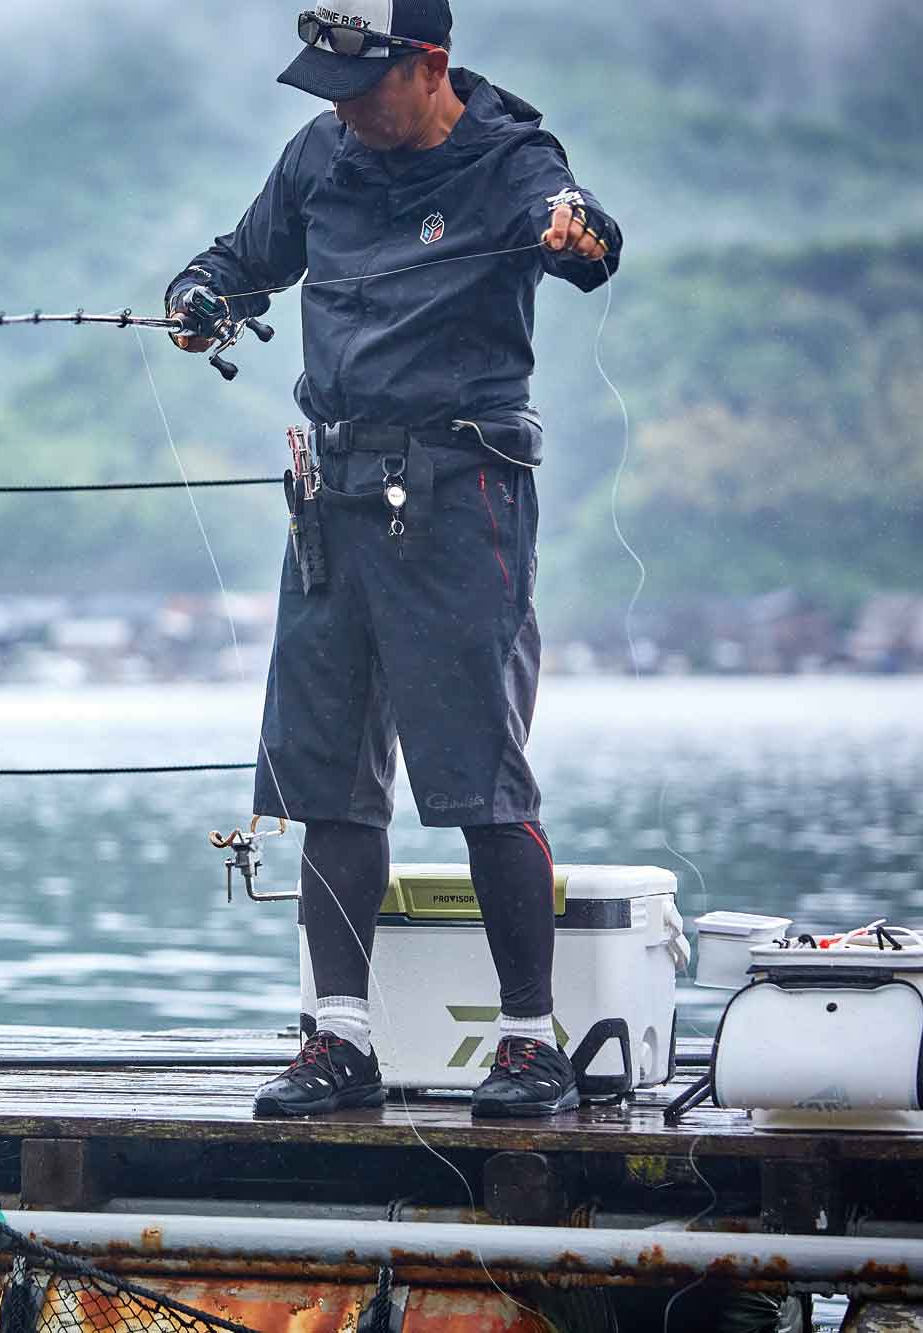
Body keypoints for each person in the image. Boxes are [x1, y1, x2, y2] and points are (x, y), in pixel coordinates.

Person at [165, 0, 620, 1119]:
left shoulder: (510, 156)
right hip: (329, 493)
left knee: (477, 774)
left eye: (362, 83)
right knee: (325, 776)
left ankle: (527, 1040)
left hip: (462, 492)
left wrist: (574, 230)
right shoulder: (321, 151)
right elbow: (240, 259)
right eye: (326, 84)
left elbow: (587, 235)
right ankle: (338, 1038)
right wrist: (200, 296)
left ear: (429, 63)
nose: (343, 107)